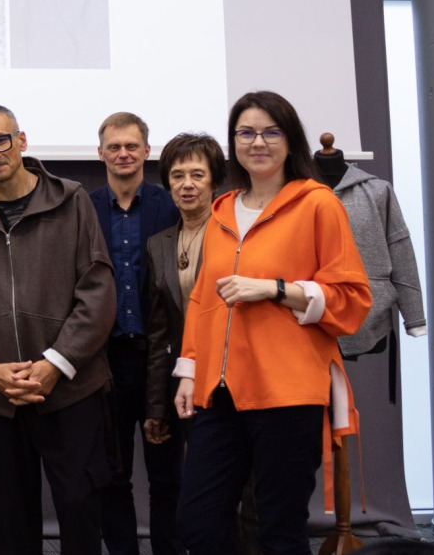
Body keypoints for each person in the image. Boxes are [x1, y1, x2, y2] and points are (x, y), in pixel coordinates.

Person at [174, 91, 372, 555]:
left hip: (287, 391)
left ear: (290, 140)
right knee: (198, 523)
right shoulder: (221, 209)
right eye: (245, 132)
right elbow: (203, 297)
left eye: (270, 131)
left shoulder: (317, 204)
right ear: (233, 143)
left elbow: (352, 298)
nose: (256, 142)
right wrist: (188, 369)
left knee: (278, 530)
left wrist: (277, 290)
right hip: (219, 392)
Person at [0, 103, 115, 555]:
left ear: (21, 140)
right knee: (9, 519)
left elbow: (97, 293)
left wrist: (54, 365)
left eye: (0, 140)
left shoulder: (73, 200)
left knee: (79, 510)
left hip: (70, 392)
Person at [88, 112, 182, 555]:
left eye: (131, 146)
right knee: (111, 475)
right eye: (114, 147)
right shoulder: (81, 209)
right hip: (103, 361)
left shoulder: (172, 206)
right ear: (100, 153)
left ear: (147, 151)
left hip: (161, 358)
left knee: (167, 475)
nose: (122, 154)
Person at [143, 133, 226, 450]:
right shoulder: (159, 244)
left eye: (197, 175)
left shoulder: (233, 233)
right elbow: (159, 333)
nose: (186, 184)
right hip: (187, 379)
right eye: (177, 176)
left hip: (232, 375)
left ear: (214, 182)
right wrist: (156, 407)